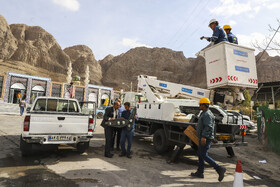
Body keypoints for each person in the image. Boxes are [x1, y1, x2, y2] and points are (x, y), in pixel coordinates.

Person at [191, 98, 226, 182]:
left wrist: (204, 137)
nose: (199, 106)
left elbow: (209, 126)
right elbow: (205, 125)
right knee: (200, 154)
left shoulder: (207, 114)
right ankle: (200, 172)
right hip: (204, 137)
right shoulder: (204, 113)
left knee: (203, 155)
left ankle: (219, 168)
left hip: (205, 138)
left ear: (204, 105)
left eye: (200, 105)